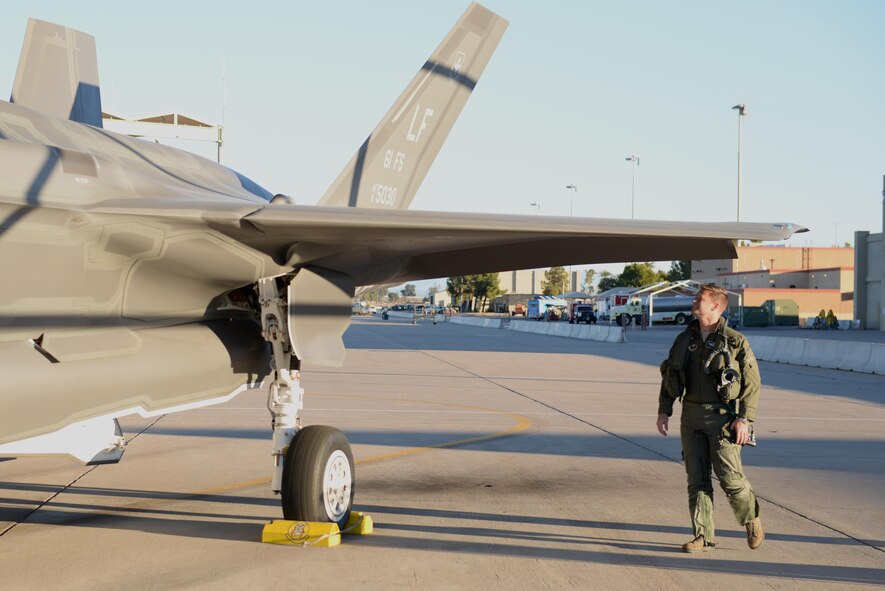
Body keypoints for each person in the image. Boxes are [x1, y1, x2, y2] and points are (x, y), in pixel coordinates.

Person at [656, 284, 764, 553]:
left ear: (715, 306)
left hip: (723, 418)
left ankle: (751, 518)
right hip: (691, 416)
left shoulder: (735, 341)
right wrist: (664, 409)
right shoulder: (684, 339)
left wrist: (744, 419)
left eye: (699, 299)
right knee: (697, 480)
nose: (694, 302)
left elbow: (752, 383)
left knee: (730, 478)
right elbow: (670, 375)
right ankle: (702, 537)